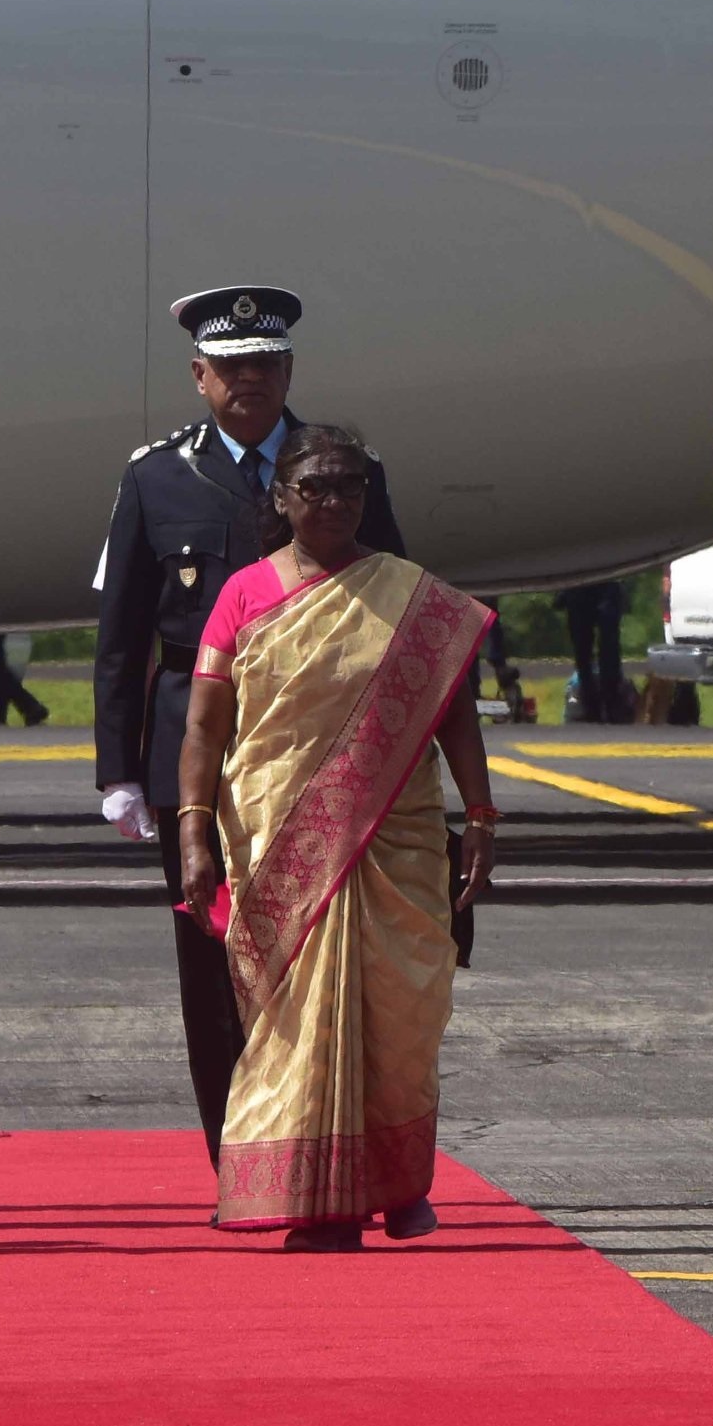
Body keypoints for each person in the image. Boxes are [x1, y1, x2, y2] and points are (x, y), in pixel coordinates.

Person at [93, 287, 407, 1155]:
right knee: (211, 959)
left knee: (320, 957)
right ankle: (233, 1150)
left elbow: (395, 608)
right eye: (230, 368)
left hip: (319, 755)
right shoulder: (156, 476)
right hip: (198, 759)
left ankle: (315, 1143)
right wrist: (118, 770)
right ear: (200, 377)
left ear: (289, 370)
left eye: (264, 364)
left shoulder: (346, 470)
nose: (249, 381)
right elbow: (122, 634)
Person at [175, 428, 501, 1247]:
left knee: (401, 1012)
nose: (332, 502)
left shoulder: (412, 593)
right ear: (281, 497)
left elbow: (455, 710)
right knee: (294, 1015)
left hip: (398, 834)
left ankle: (399, 1186)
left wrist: (483, 818)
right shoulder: (244, 595)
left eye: (348, 487)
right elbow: (205, 728)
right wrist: (192, 833)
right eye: (314, 488)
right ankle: (306, 1192)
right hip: (277, 834)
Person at [561, 574, 636, 726]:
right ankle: (590, 703)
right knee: (582, 647)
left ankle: (611, 701)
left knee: (609, 645)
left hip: (607, 582)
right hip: (577, 582)